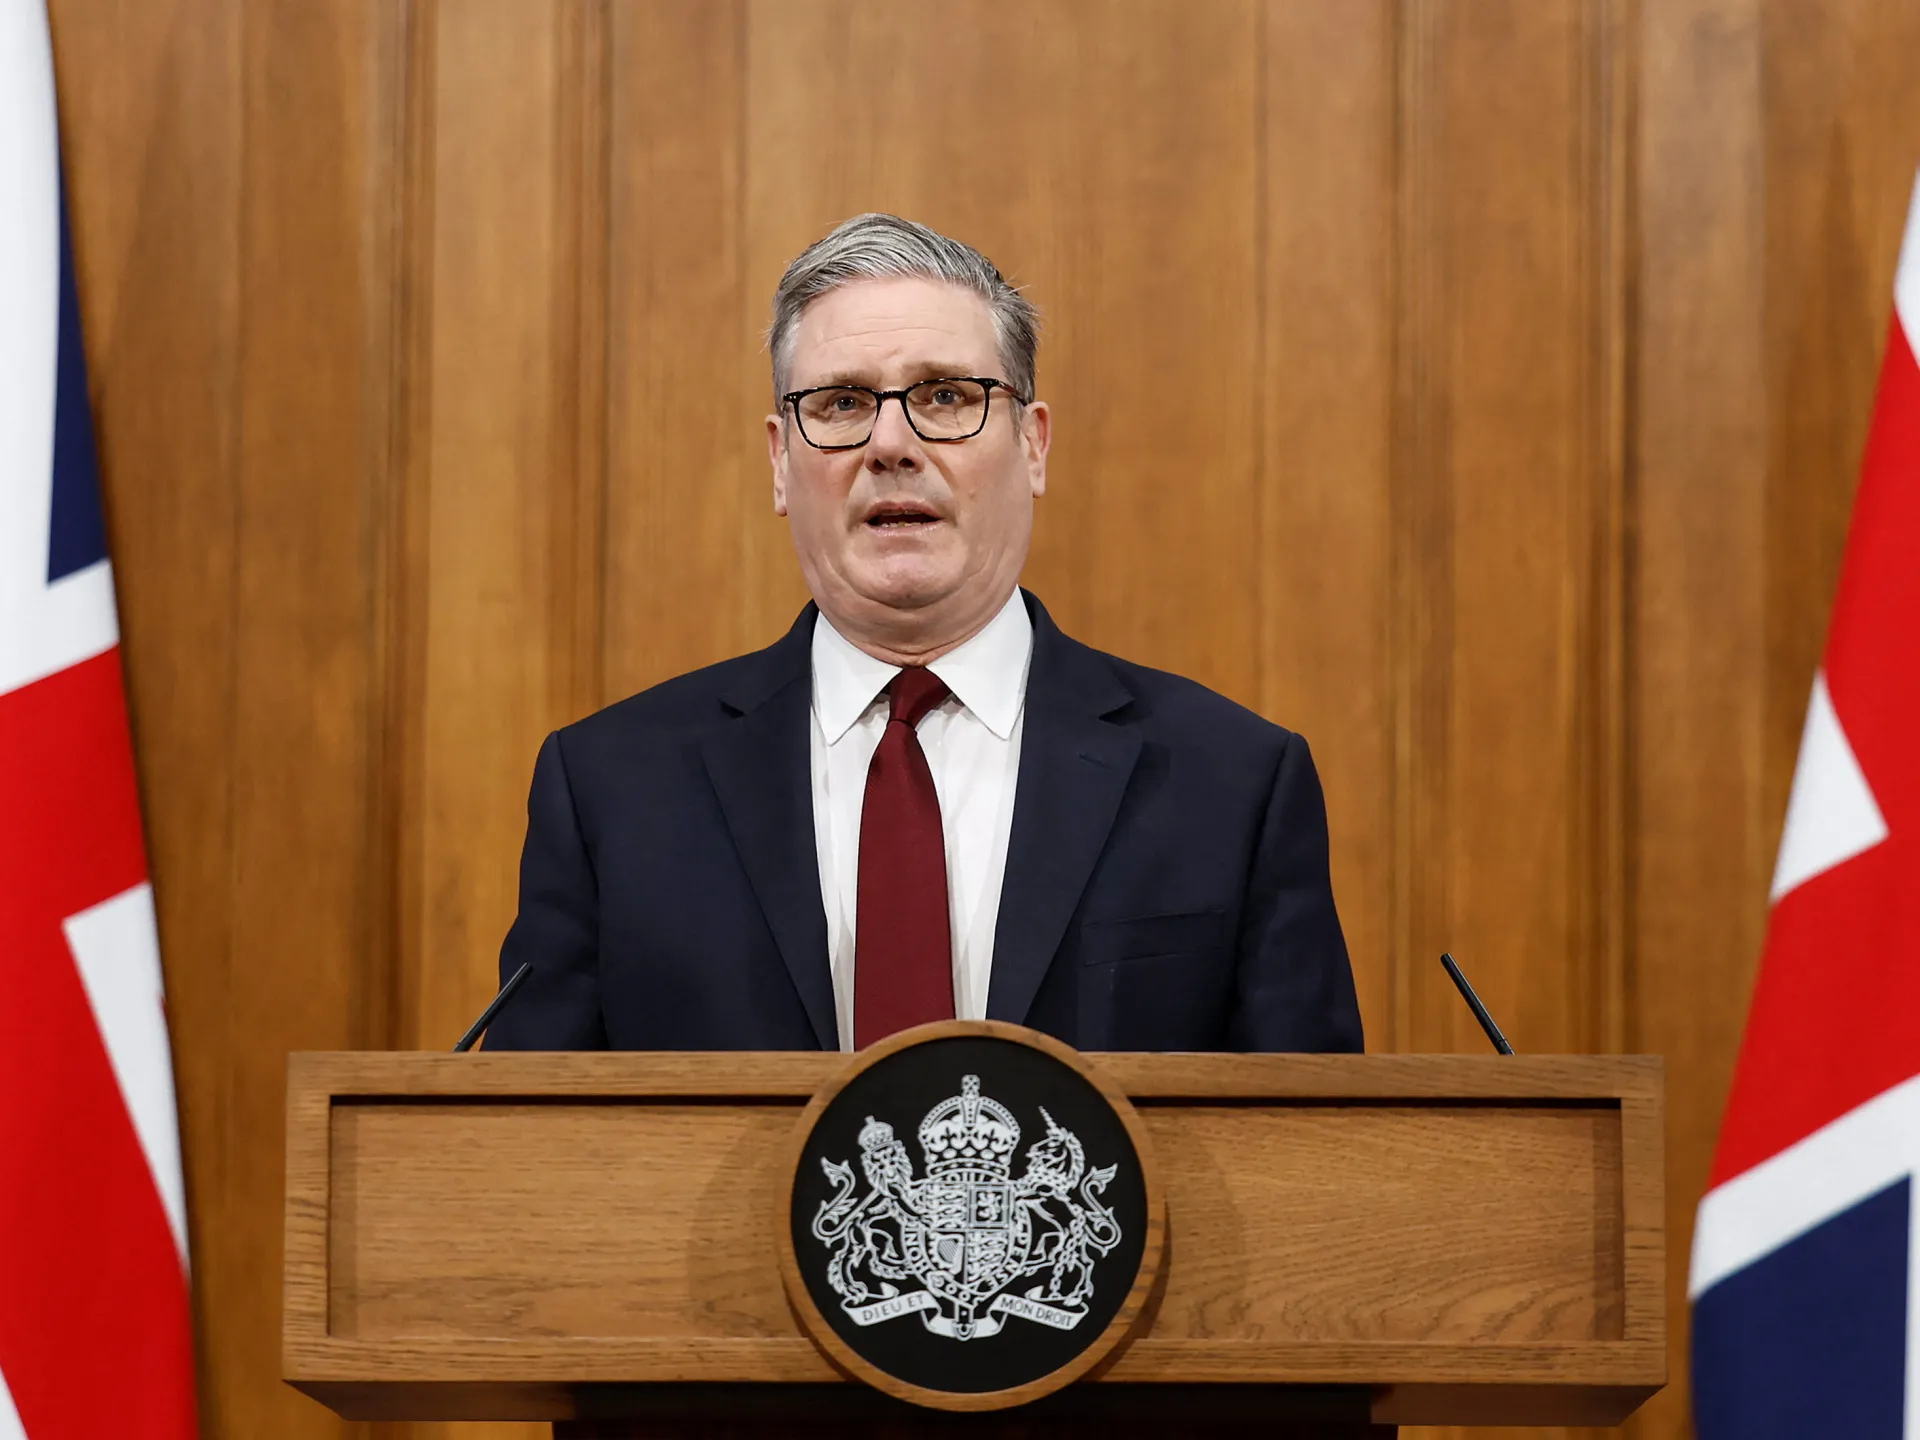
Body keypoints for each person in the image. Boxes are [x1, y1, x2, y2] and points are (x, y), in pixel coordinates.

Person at [486, 213, 1362, 1054]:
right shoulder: (610, 790)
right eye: (841, 403)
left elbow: (1313, 1136)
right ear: (780, 461)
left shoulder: (1232, 783)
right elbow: (525, 1135)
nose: (892, 444)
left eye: (946, 396)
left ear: (1033, 446)